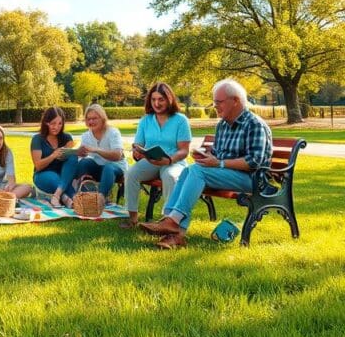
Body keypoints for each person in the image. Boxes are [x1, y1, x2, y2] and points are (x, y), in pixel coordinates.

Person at [139, 79, 272, 249]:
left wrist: (219, 163)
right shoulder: (223, 125)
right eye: (214, 102)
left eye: (219, 102)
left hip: (252, 179)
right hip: (227, 174)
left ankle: (172, 221)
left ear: (236, 101)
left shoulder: (254, 124)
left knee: (197, 171)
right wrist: (205, 156)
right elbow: (217, 154)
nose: (215, 106)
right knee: (188, 171)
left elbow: (255, 161)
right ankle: (175, 234)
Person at [122, 82, 191, 229]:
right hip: (151, 160)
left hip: (174, 161)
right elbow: (138, 144)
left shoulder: (180, 120)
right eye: (153, 100)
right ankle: (132, 218)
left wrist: (170, 159)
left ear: (169, 99)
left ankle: (169, 221)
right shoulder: (145, 120)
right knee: (131, 173)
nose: (157, 103)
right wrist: (137, 153)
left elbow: (184, 150)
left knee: (170, 176)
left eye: (161, 99)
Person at [75, 104, 127, 202]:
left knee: (108, 167)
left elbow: (117, 155)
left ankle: (100, 200)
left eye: (94, 118)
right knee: (84, 162)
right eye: (88, 119)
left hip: (116, 168)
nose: (91, 121)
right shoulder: (86, 136)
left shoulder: (113, 132)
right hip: (98, 167)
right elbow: (81, 158)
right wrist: (80, 154)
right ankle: (85, 196)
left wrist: (96, 150)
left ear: (102, 118)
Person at [31, 106, 79, 208]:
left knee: (73, 157)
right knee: (55, 178)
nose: (56, 127)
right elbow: (38, 166)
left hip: (63, 175)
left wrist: (75, 151)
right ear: (46, 122)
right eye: (53, 123)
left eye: (60, 124)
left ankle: (58, 196)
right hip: (42, 175)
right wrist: (53, 155)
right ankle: (70, 197)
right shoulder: (37, 139)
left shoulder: (67, 138)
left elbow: (71, 160)